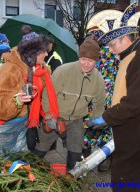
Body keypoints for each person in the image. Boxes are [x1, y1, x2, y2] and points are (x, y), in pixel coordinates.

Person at [87, 3, 140, 191]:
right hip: (135, 128)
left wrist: (105, 118)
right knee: (134, 176)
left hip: (139, 131)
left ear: (125, 38)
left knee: (126, 180)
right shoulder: (132, 55)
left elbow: (135, 102)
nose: (110, 49)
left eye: (112, 44)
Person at [0, 34, 59, 159]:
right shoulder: (10, 70)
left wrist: (49, 116)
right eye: (43, 52)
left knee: (18, 162)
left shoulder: (41, 70)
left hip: (22, 124)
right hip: (1, 126)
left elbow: (45, 96)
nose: (46, 55)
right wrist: (15, 101)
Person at [33, 39, 105, 171]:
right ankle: (28, 176)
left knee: (75, 156)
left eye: (91, 61)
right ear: (79, 57)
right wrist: (49, 116)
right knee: (39, 151)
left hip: (76, 120)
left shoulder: (98, 80)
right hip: (56, 116)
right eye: (83, 59)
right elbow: (48, 95)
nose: (86, 64)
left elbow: (98, 102)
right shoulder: (63, 71)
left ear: (96, 61)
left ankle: (71, 182)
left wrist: (96, 119)